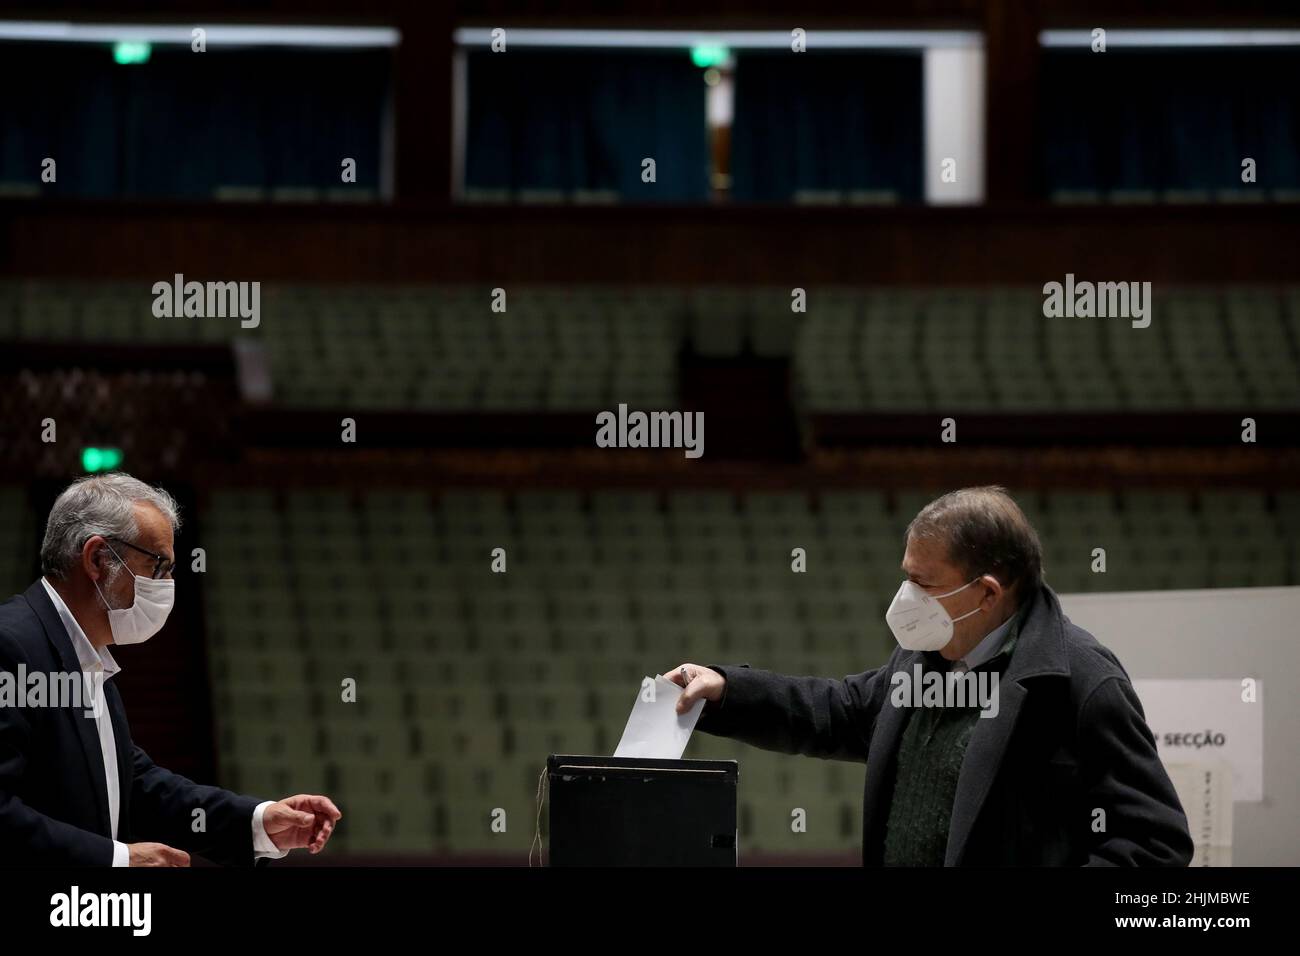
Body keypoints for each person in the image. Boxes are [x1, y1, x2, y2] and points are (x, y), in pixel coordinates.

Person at [668, 485, 1193, 866]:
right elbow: (837, 712)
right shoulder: (924, 657)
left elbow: (1155, 842)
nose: (906, 599)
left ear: (987, 593)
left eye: (924, 583)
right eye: (907, 578)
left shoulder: (1081, 680)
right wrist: (727, 691)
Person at [0, 473, 341, 865]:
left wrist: (257, 821)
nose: (167, 585)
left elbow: (134, 785)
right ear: (97, 559)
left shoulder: (86, 654)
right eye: (158, 566)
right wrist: (119, 860)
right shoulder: (11, 646)